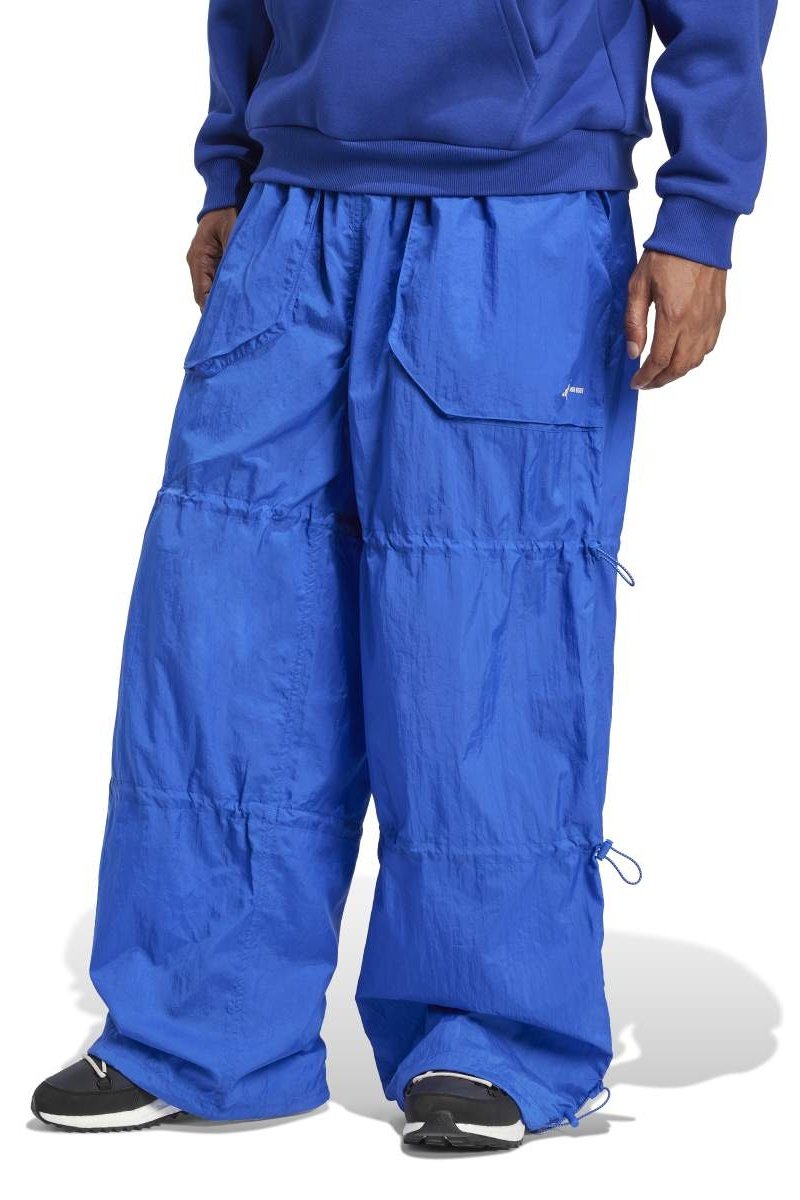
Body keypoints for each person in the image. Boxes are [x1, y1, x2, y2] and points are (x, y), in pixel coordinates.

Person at [31, 0, 776, 1149]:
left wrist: (700, 211)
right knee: (224, 630)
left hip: (519, 213)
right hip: (291, 208)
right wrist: (230, 164)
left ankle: (493, 1034)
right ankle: (197, 1024)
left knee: (478, 635)